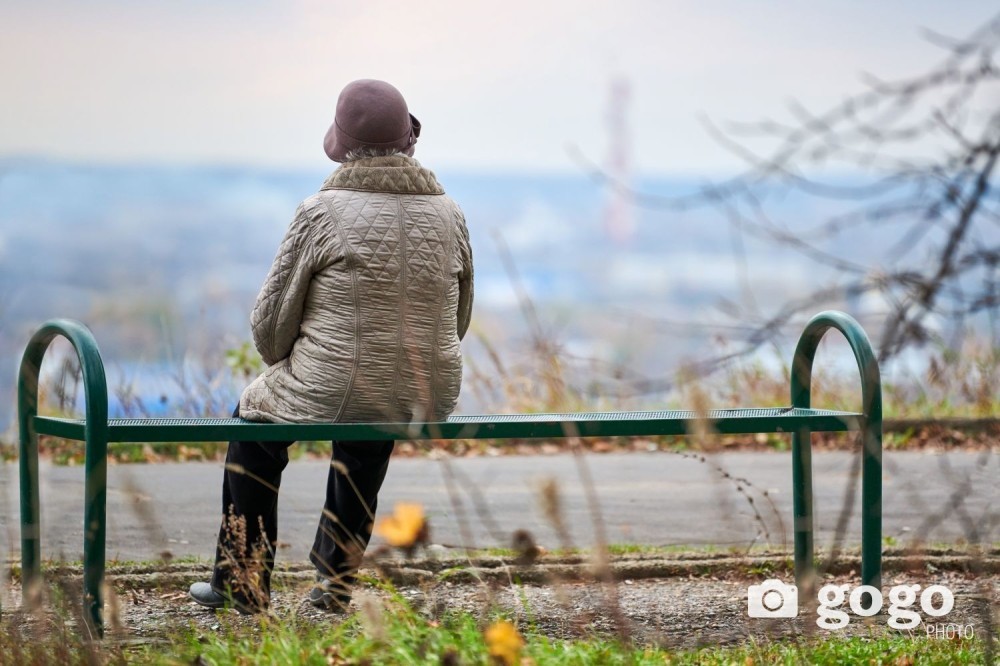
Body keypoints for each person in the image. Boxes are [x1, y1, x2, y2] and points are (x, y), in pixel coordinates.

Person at [189, 79, 474, 613]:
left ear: (343, 147)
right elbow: (458, 320)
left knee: (252, 428)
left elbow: (271, 329)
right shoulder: (450, 213)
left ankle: (242, 584)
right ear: (407, 142)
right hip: (425, 388)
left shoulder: (320, 211)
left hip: (335, 383)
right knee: (373, 418)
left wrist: (302, 362)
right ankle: (335, 585)